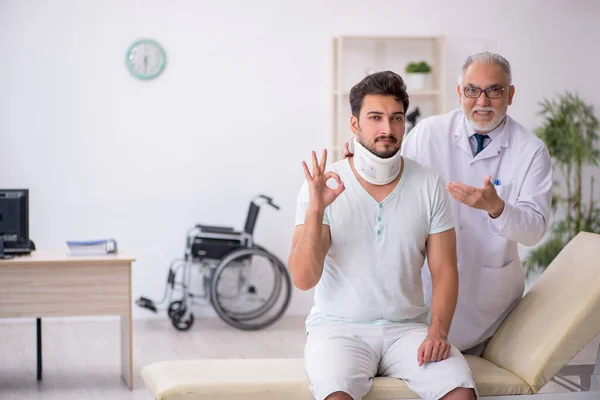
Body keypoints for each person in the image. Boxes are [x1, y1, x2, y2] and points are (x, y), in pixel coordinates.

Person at [343, 52, 553, 355]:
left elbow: (534, 231)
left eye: (494, 90)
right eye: (472, 90)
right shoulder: (430, 133)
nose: (482, 101)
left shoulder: (531, 151)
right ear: (459, 93)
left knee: (470, 380)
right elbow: (390, 165)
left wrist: (498, 208)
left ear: (510, 94)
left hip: (488, 304)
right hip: (427, 292)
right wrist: (355, 152)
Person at [289, 71, 477, 400]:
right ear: (354, 124)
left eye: (396, 118)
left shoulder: (428, 183)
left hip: (408, 330)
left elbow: (445, 269)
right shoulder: (323, 186)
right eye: (375, 118)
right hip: (338, 330)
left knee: (460, 392)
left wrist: (438, 331)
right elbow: (304, 278)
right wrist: (315, 211)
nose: (386, 129)